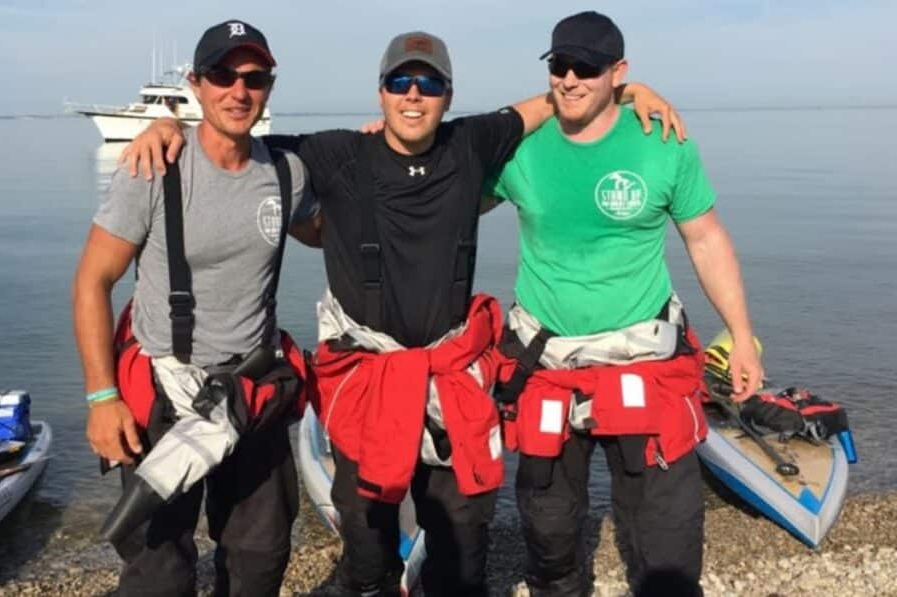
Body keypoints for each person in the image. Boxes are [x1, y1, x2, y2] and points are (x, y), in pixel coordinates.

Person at [122, 30, 682, 597]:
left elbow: (548, 103)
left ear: (448, 94)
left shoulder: (472, 143)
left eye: (429, 83)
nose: (414, 95)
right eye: (400, 82)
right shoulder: (335, 155)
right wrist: (171, 128)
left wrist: (629, 90)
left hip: (450, 386)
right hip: (367, 388)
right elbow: (234, 140)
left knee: (462, 549)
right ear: (382, 93)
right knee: (365, 549)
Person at [485, 11, 764, 596]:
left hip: (646, 365)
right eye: (560, 66)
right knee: (551, 540)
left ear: (619, 72)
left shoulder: (661, 141)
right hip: (548, 368)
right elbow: (443, 182)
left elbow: (706, 238)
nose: (570, 80)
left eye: (587, 67)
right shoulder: (520, 150)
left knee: (667, 546)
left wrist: (740, 336)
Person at [72, 20, 317, 597]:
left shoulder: (287, 173)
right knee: (158, 571)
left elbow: (332, 233)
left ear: (269, 87)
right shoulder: (155, 169)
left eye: (253, 77)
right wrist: (102, 399)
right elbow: (91, 281)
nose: (238, 90)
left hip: (251, 392)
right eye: (222, 75)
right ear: (196, 85)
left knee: (260, 558)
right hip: (164, 392)